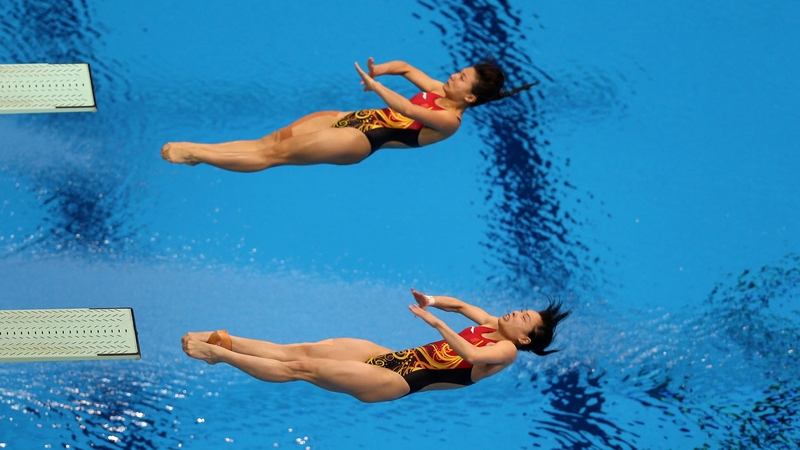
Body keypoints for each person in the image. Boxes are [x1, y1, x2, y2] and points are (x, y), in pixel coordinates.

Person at [181, 288, 570, 403]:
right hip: (392, 355)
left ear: (524, 339)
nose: (518, 312)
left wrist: (434, 323)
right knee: (301, 350)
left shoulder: (504, 352)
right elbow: (462, 305)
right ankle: (231, 341)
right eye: (523, 310)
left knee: (301, 370)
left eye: (525, 319)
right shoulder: (489, 324)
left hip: (396, 382)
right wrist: (433, 302)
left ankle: (219, 355)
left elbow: (469, 356)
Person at [161, 58, 536, 172]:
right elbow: (408, 69)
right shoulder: (440, 90)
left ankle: (197, 154)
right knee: (269, 141)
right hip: (348, 117)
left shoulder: (450, 122)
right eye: (461, 70)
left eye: (462, 77)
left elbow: (404, 108)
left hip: (359, 140)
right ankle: (203, 151)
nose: (454, 74)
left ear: (469, 96)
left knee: (273, 157)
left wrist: (376, 89)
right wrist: (383, 70)